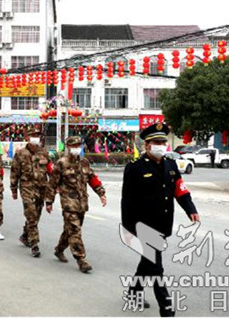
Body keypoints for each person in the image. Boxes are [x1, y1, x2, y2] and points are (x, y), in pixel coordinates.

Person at [121, 123, 200, 316]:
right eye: (157, 142)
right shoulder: (135, 168)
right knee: (156, 268)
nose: (161, 146)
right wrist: (129, 227)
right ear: (147, 145)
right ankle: (167, 310)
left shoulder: (171, 165)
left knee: (148, 262)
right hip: (143, 226)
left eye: (163, 142)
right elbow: (127, 200)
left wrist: (191, 209)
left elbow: (180, 190)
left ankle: (133, 292)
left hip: (162, 224)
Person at [44, 136, 107, 273]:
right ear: (68, 147)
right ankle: (81, 260)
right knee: (75, 230)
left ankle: (59, 249)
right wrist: (49, 201)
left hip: (82, 203)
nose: (77, 148)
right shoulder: (61, 163)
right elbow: (52, 184)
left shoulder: (84, 162)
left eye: (79, 145)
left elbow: (92, 178)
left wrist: (101, 193)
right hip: (68, 203)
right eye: (74, 146)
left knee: (70, 230)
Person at [10, 127, 52, 257]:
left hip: (41, 188)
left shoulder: (44, 152)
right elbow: (14, 172)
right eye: (33, 135)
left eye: (37, 135)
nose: (35, 138)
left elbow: (51, 170)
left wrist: (55, 186)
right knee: (31, 215)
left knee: (36, 216)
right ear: (27, 138)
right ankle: (34, 244)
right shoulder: (20, 154)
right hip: (26, 188)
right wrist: (14, 189)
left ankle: (25, 235)